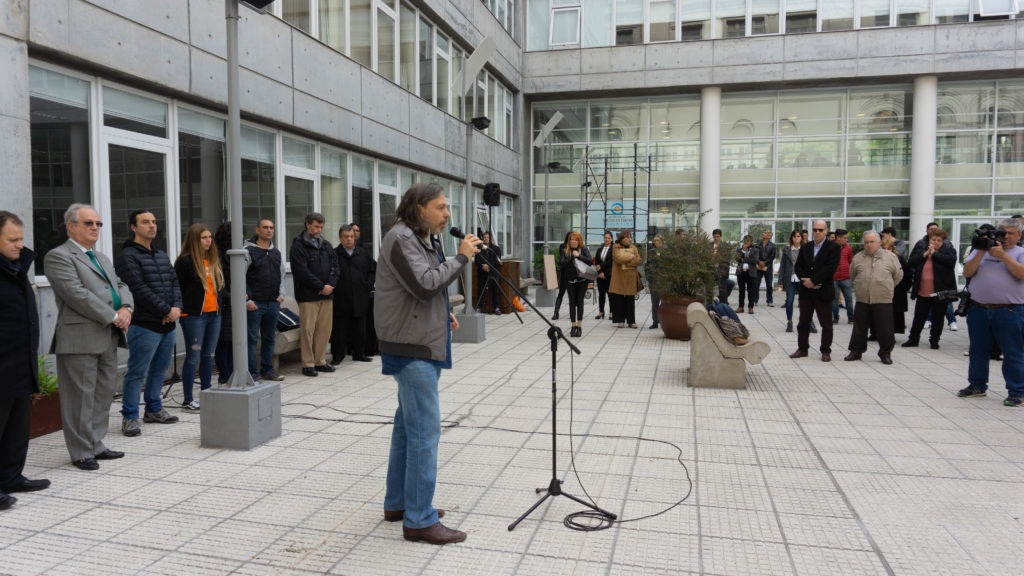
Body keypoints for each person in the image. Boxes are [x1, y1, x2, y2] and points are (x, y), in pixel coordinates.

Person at [375, 182, 481, 545]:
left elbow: (423, 293)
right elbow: (424, 284)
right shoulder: (402, 238)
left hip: (418, 337)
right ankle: (419, 519)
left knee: (407, 428)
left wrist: (442, 315)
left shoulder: (422, 238)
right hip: (411, 347)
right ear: (419, 208)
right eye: (440, 207)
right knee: (425, 433)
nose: (447, 214)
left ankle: (400, 503)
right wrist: (462, 256)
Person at [45, 204, 134, 471]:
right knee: (79, 398)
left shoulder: (101, 257)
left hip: (108, 334)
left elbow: (121, 284)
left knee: (103, 393)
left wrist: (127, 308)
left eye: (98, 223)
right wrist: (113, 315)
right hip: (80, 336)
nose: (95, 227)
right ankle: (81, 451)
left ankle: (96, 443)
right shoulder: (58, 256)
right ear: (71, 226)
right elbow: (76, 295)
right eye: (88, 223)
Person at [114, 210, 181, 436]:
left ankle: (153, 409)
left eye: (153, 222)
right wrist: (166, 310)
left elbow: (174, 283)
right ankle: (130, 416)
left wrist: (176, 309)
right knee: (136, 372)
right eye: (145, 222)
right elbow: (137, 288)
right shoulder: (127, 256)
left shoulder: (161, 254)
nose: (152, 226)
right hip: (144, 324)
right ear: (134, 227)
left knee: (160, 370)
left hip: (168, 324)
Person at [0, 211, 50, 508]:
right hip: (2, 363)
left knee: (17, 426)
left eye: (21, 238)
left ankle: (10, 476)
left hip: (19, 362)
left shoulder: (15, 268)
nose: (20, 245)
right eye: (12, 239)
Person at [958, 218, 1024, 406]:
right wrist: (981, 250)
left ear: (1019, 235)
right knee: (977, 350)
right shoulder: (982, 250)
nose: (1007, 237)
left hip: (1010, 310)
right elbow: (968, 272)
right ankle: (977, 385)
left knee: (1013, 352)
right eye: (1003, 232)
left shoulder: (1020, 252)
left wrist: (1003, 256)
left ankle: (1017, 391)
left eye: (1011, 233)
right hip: (979, 308)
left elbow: (1021, 274)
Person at [174, 224, 223, 411]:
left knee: (208, 356)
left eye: (210, 236)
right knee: (193, 357)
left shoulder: (213, 261)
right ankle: (188, 399)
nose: (209, 240)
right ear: (195, 240)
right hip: (194, 316)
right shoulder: (185, 262)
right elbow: (177, 288)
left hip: (214, 315)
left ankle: (206, 392)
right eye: (204, 237)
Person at [290, 212, 339, 378]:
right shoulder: (298, 245)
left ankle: (320, 361)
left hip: (327, 295)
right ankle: (308, 364)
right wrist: (320, 286)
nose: (319, 230)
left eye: (321, 227)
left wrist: (330, 285)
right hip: (308, 296)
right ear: (307, 225)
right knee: (308, 330)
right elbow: (301, 271)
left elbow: (335, 267)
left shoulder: (326, 245)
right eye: (316, 226)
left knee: (324, 330)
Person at [844, 231, 903, 365]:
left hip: (883, 299)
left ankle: (885, 353)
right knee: (859, 327)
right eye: (866, 242)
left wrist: (887, 286)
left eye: (872, 242)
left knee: (885, 328)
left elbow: (898, 276)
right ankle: (856, 351)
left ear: (879, 242)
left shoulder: (890, 257)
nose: (869, 245)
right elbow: (852, 275)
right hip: (863, 299)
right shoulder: (858, 258)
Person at [790, 219, 841, 362]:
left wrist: (814, 281)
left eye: (820, 230)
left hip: (823, 290)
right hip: (807, 291)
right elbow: (798, 266)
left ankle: (825, 350)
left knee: (826, 324)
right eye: (815, 230)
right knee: (803, 322)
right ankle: (803, 348)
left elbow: (831, 268)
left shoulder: (834, 248)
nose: (817, 232)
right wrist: (807, 281)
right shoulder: (806, 247)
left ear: (826, 231)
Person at [244, 218, 286, 382]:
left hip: (273, 304)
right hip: (255, 304)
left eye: (271, 228)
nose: (269, 230)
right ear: (258, 230)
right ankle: (252, 373)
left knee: (269, 338)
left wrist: (281, 295)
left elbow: (281, 275)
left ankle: (268, 370)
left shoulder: (276, 253)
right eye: (265, 227)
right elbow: (240, 277)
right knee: (252, 339)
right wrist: (247, 301)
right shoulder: (248, 251)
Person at [904, 228, 957, 350]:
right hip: (923, 291)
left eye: (939, 240)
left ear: (943, 241)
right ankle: (913, 339)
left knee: (938, 318)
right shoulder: (923, 250)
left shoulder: (948, 250)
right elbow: (911, 262)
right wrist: (925, 254)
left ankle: (934, 340)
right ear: (929, 239)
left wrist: (935, 254)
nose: (936, 242)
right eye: (933, 239)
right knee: (919, 316)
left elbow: (950, 262)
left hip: (940, 292)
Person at [331, 224, 375, 363]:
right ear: (340, 238)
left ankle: (359, 354)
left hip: (360, 297)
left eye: (351, 236)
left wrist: (367, 285)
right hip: (341, 297)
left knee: (360, 328)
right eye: (346, 237)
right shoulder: (334, 254)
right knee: (339, 329)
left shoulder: (362, 253)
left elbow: (372, 270)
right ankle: (338, 356)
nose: (349, 239)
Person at [212, 222, 236, 384]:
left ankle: (233, 371)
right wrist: (231, 297)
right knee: (224, 340)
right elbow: (218, 282)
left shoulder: (236, 253)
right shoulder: (218, 254)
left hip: (236, 301)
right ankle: (224, 373)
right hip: (225, 303)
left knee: (234, 340)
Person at [560, 231, 591, 337]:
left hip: (582, 281)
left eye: (576, 239)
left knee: (580, 303)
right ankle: (573, 326)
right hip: (570, 281)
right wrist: (571, 258)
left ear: (579, 241)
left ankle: (579, 326)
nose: (574, 241)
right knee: (572, 303)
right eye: (572, 239)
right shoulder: (565, 250)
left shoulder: (584, 249)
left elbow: (590, 261)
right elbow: (561, 264)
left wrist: (579, 256)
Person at [609, 230, 642, 328]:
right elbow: (617, 258)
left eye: (630, 237)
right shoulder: (616, 246)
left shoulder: (633, 247)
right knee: (619, 299)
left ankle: (631, 321)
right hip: (619, 276)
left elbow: (638, 261)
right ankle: (620, 320)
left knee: (630, 299)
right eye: (627, 237)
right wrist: (630, 256)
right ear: (622, 238)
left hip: (630, 277)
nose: (629, 239)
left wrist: (627, 260)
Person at [882, 236, 912, 335]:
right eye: (884, 249)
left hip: (897, 291)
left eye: (889, 248)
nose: (887, 251)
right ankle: (876, 332)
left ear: (893, 249)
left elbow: (907, 275)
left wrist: (903, 288)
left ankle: (892, 332)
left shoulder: (899, 259)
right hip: (881, 291)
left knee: (894, 313)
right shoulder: (877, 259)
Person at [777, 229, 802, 332]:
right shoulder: (786, 250)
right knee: (789, 301)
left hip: (801, 279)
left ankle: (809, 322)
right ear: (792, 238)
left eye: (798, 236)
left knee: (805, 302)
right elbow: (782, 266)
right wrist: (780, 281)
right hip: (789, 279)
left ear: (801, 238)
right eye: (795, 236)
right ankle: (790, 322)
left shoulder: (805, 249)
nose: (796, 238)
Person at [474, 231, 503, 314]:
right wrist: (483, 266)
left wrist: (489, 266)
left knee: (495, 289)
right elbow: (477, 259)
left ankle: (497, 307)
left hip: (493, 273)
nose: (486, 239)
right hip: (482, 273)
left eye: (488, 237)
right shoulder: (479, 248)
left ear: (491, 238)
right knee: (481, 290)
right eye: (485, 237)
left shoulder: (496, 249)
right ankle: (479, 307)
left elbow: (498, 260)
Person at [832, 229, 854, 324]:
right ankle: (835, 317)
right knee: (834, 300)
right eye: (845, 238)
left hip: (846, 277)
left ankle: (851, 317)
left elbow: (850, 261)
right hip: (833, 278)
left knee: (849, 298)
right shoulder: (830, 246)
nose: (846, 240)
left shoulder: (848, 248)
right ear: (838, 238)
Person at [734, 235, 759, 314]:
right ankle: (741, 307)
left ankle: (751, 307)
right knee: (741, 290)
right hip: (741, 272)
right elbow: (737, 259)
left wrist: (743, 258)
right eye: (745, 241)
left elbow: (755, 260)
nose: (746, 242)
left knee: (750, 290)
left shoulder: (755, 250)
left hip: (751, 272)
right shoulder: (739, 249)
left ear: (751, 242)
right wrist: (743, 251)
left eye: (748, 241)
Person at [551, 231, 572, 321]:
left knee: (572, 295)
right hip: (564, 273)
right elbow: (561, 261)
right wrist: (569, 259)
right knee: (561, 293)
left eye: (574, 239)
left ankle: (572, 313)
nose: (572, 240)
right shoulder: (563, 246)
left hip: (573, 274)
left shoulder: (577, 247)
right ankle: (556, 313)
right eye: (571, 238)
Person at [593, 231, 613, 320]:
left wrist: (601, 267)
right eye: (605, 238)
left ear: (612, 239)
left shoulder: (613, 249)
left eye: (608, 238)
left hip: (609, 275)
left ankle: (612, 312)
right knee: (601, 294)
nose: (607, 239)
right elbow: (597, 261)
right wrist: (600, 271)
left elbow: (611, 262)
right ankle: (601, 311)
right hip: (600, 275)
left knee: (610, 294)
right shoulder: (599, 249)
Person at [647, 235, 665, 330]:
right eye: (654, 241)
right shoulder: (651, 252)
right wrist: (648, 276)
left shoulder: (666, 252)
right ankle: (655, 321)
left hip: (663, 280)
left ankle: (664, 321)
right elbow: (648, 265)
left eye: (658, 240)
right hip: (653, 280)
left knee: (664, 302)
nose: (656, 242)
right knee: (654, 302)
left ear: (662, 241)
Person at [711, 229, 734, 303]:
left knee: (722, 289)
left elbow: (727, 259)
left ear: (721, 237)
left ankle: (723, 305)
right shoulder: (709, 245)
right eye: (715, 237)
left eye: (718, 236)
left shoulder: (726, 246)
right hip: (711, 271)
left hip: (722, 271)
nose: (716, 238)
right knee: (710, 289)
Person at [756, 229, 777, 307]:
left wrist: (765, 263)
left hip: (768, 267)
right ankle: (755, 300)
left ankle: (769, 300)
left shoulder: (773, 245)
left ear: (770, 236)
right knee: (756, 284)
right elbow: (756, 255)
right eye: (765, 232)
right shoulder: (757, 245)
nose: (766, 234)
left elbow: (772, 256)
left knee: (769, 285)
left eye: (768, 233)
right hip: (758, 267)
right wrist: (759, 262)